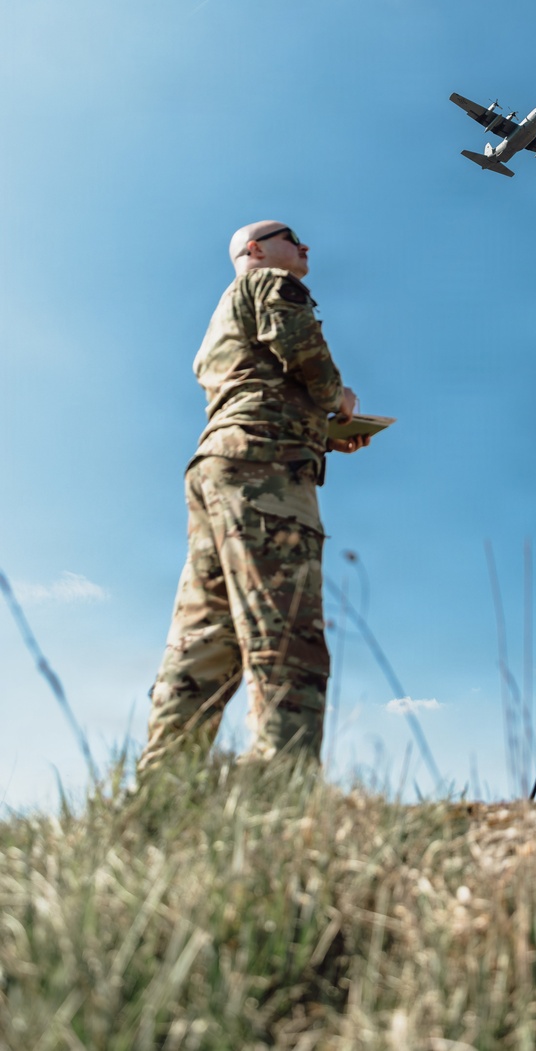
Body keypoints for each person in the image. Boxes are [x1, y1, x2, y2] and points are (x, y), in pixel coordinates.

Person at [138, 221, 368, 773]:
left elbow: (256, 388)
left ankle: (162, 785)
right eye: (291, 237)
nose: (305, 246)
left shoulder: (224, 314)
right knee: (287, 627)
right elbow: (303, 354)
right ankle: (281, 783)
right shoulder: (272, 283)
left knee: (205, 638)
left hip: (222, 463)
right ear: (255, 249)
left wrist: (323, 433)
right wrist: (337, 398)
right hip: (266, 468)